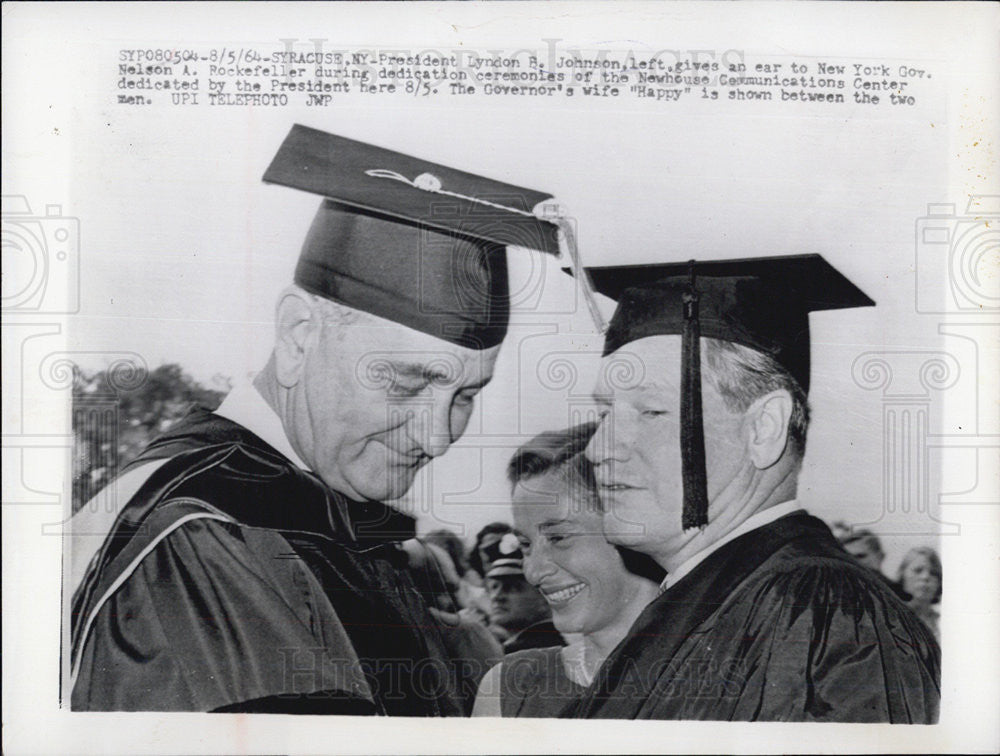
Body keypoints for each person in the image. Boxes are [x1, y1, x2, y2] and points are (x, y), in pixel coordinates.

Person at [68, 124, 562, 713]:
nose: (438, 435)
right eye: (407, 382)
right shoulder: (203, 533)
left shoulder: (328, 519)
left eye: (465, 394)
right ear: (300, 334)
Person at [565, 254, 940, 722]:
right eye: (604, 414)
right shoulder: (702, 599)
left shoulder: (826, 612)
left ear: (764, 428)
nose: (597, 450)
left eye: (650, 412)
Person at [472, 423, 662, 718]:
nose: (533, 572)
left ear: (630, 527)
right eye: (525, 545)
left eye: (559, 538)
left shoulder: (718, 673)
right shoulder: (510, 687)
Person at [483, 536, 564, 653]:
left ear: (546, 597)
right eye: (494, 587)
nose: (497, 596)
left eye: (513, 588)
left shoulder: (533, 649)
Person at [897, 546, 942, 641]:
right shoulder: (893, 619)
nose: (925, 577)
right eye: (918, 570)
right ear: (902, 575)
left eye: (933, 573)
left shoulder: (945, 620)